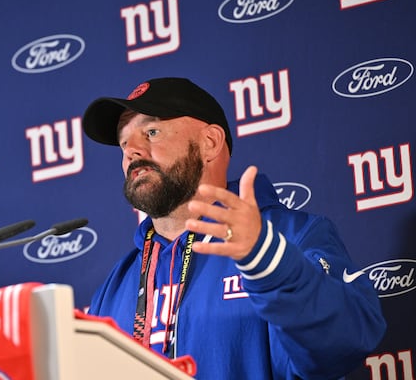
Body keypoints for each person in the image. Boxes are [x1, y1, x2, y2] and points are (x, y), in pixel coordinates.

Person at [81, 77, 386, 379]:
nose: (131, 151)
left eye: (152, 132)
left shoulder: (291, 237)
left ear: (209, 142)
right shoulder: (116, 285)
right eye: (124, 143)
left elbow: (349, 339)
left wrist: (270, 262)